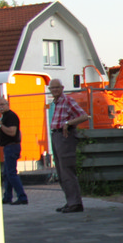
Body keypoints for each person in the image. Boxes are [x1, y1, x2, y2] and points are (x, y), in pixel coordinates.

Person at [48, 78, 88, 213]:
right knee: (60, 172)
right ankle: (70, 201)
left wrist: (68, 123)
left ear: (62, 88)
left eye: (57, 87)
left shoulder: (67, 100)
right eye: (52, 88)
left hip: (65, 137)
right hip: (56, 135)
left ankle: (75, 203)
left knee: (67, 171)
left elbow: (84, 116)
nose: (54, 90)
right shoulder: (56, 103)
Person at [0, 97, 28, 205]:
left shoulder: (11, 116)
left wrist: (0, 125)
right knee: (7, 174)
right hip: (8, 147)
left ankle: (22, 197)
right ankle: (7, 197)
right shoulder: (5, 117)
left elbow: (12, 132)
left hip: (11, 146)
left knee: (11, 173)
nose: (0, 107)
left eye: (2, 104)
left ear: (7, 104)